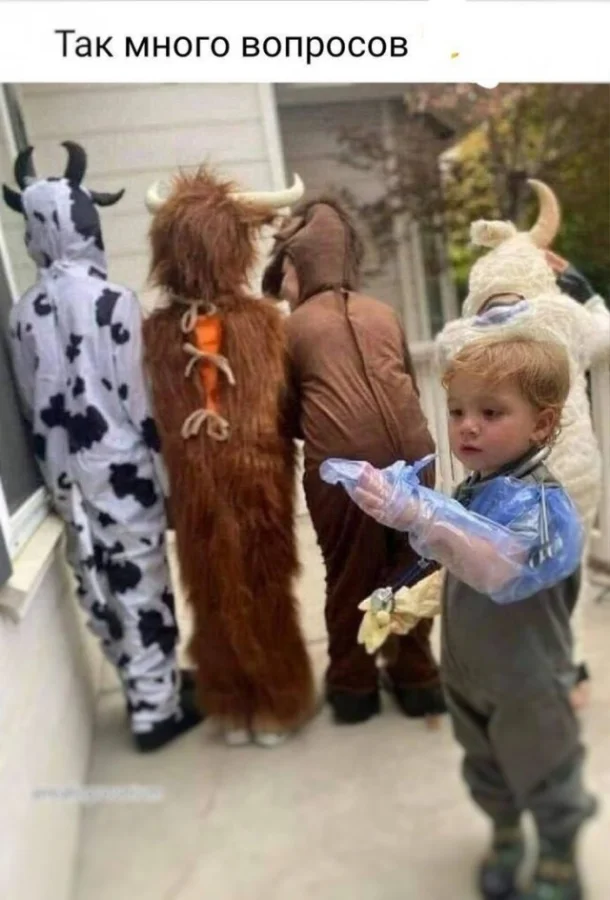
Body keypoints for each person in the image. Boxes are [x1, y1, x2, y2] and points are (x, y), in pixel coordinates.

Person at [322, 335, 597, 900]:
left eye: (490, 413)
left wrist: (420, 513)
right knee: (485, 762)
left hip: (528, 678)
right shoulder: (476, 489)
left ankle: (557, 852)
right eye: (457, 411)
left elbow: (503, 569)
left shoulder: (545, 506)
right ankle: (505, 833)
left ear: (542, 425)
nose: (468, 426)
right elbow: (458, 561)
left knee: (543, 764)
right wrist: (410, 597)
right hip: (469, 668)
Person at [3, 142, 202, 752]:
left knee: (100, 583)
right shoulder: (114, 302)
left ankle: (152, 684)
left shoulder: (21, 315)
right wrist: (169, 481)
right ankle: (155, 714)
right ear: (84, 226)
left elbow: (33, 409)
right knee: (141, 582)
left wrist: (57, 481)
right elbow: (142, 404)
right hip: (123, 472)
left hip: (66, 481)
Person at [142, 168, 316, 748]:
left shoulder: (263, 324)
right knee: (210, 590)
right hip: (195, 489)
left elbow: (288, 404)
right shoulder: (157, 335)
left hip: (259, 482)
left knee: (265, 586)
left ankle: (277, 698)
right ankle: (231, 699)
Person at [262, 197, 445, 725]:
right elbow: (406, 384)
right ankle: (417, 680)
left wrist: (331, 429)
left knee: (351, 573)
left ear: (301, 264)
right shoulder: (384, 313)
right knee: (411, 565)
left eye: (287, 269)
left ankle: (354, 686)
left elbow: (284, 413)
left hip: (343, 472)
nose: (285, 282)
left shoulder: (290, 330)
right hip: (415, 457)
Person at [435, 179, 610, 711]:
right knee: (563, 570)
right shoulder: (563, 317)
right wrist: (584, 291)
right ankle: (565, 668)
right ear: (537, 275)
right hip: (572, 472)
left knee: (503, 569)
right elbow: (605, 332)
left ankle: (509, 671)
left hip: (498, 480)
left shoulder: (456, 338)